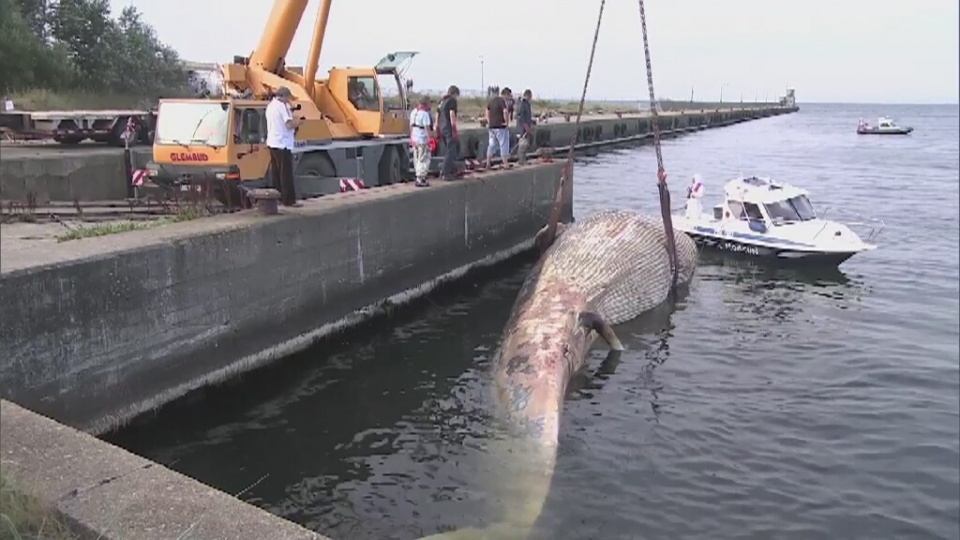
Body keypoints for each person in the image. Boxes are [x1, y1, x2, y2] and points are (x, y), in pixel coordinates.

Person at [265, 86, 302, 206]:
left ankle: (278, 198)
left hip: (272, 143)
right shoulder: (282, 106)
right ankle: (289, 200)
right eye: (288, 98)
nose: (289, 101)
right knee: (286, 174)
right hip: (283, 144)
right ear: (284, 96)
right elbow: (289, 124)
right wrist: (299, 122)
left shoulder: (270, 106)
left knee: (276, 173)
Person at [409, 95, 434, 187]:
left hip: (415, 139)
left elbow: (411, 127)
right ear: (426, 104)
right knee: (423, 159)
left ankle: (418, 176)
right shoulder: (425, 114)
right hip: (422, 139)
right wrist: (430, 139)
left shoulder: (413, 113)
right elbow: (427, 129)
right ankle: (420, 178)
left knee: (416, 158)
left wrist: (411, 138)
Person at [437, 85, 461, 181]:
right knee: (450, 150)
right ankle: (445, 172)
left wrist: (437, 127)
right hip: (448, 127)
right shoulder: (452, 101)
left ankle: (452, 169)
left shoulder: (441, 101)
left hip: (442, 127)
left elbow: (437, 114)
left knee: (452, 149)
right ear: (454, 93)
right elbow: (452, 114)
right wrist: (454, 127)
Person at [485, 87, 511, 168]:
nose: (509, 97)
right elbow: (505, 111)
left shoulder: (492, 101)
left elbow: (487, 111)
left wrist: (489, 121)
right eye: (509, 95)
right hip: (500, 127)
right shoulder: (502, 101)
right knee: (504, 144)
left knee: (491, 145)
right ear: (505, 94)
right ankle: (505, 163)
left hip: (492, 127)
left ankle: (488, 163)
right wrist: (506, 123)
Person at [515, 89, 535, 164]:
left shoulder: (527, 104)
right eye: (530, 96)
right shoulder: (522, 104)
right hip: (522, 128)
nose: (531, 98)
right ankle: (521, 160)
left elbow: (527, 116)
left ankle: (523, 159)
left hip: (526, 126)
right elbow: (520, 117)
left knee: (526, 144)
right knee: (522, 144)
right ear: (527, 95)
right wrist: (525, 127)